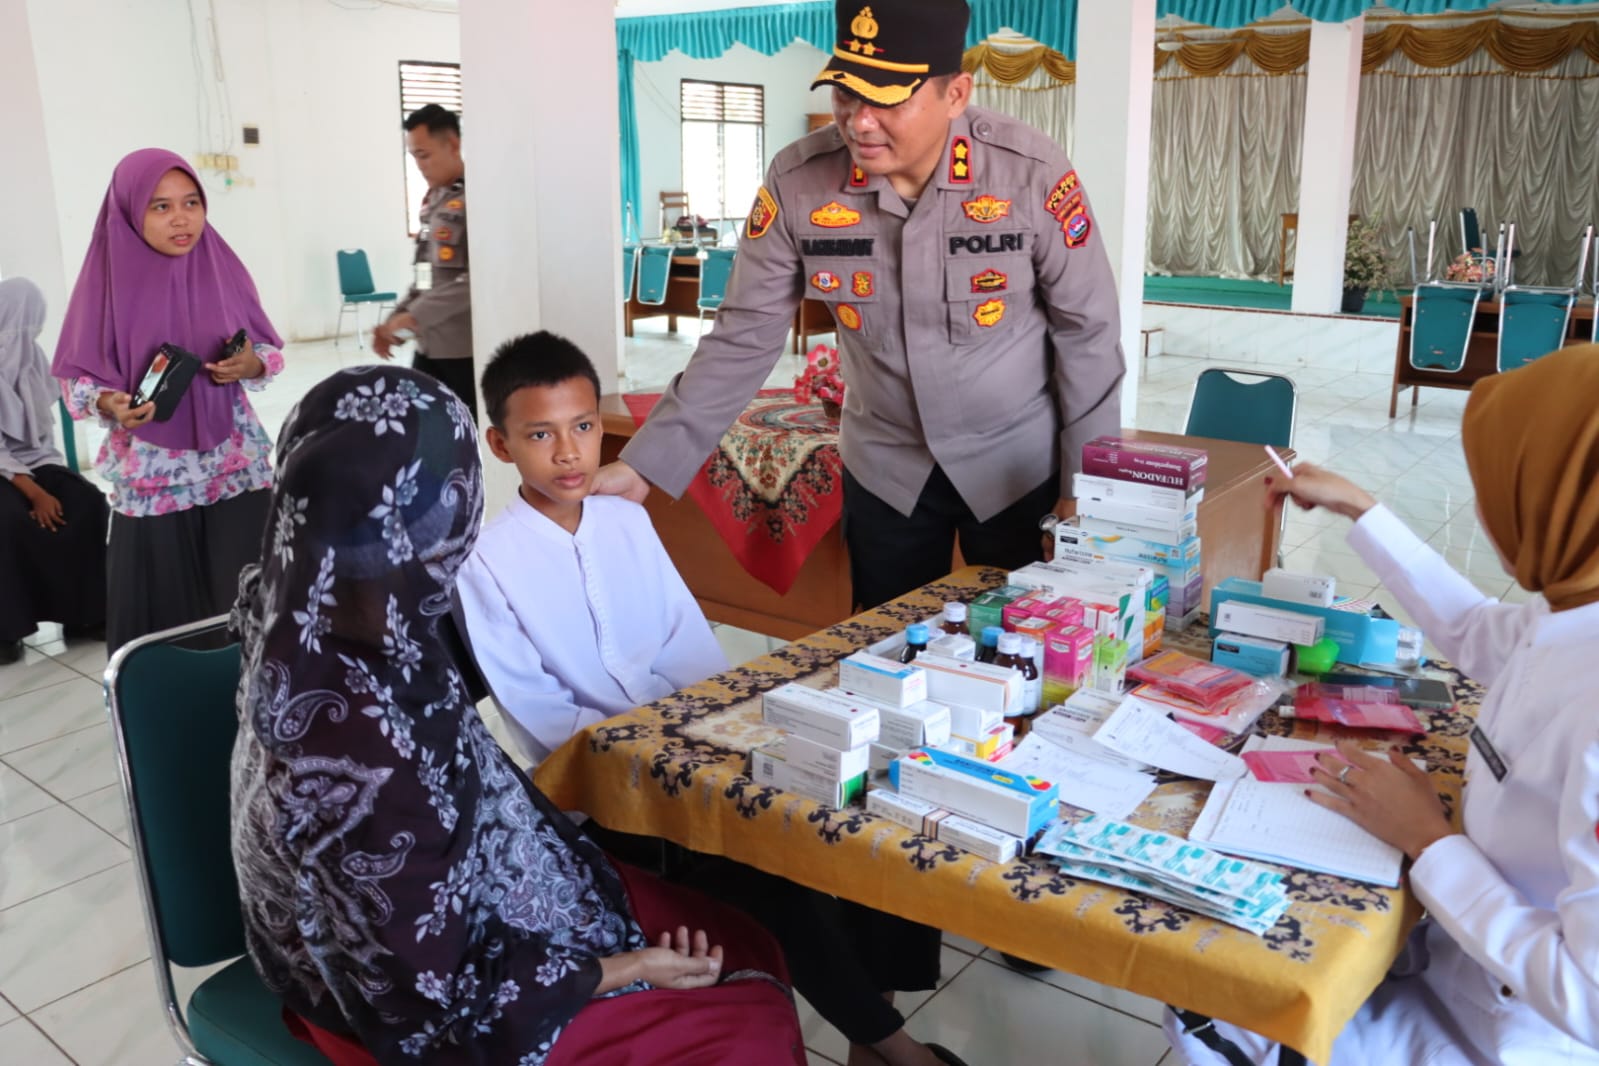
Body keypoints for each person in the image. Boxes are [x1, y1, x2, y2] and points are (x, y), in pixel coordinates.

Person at [229, 365, 805, 1066]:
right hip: (408, 1004)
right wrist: (626, 967)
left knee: (738, 926)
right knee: (742, 1020)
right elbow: (430, 986)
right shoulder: (363, 727)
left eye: (583, 427)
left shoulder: (305, 612)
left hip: (464, 902)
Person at [455, 332, 966, 1066]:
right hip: (603, 791)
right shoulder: (485, 560)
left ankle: (880, 1034)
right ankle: (895, 1049)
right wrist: (660, 756)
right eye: (540, 435)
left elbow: (683, 639)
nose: (568, 452)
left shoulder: (627, 518)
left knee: (848, 818)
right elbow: (536, 705)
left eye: (583, 427)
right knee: (768, 878)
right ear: (501, 446)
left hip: (693, 746)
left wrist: (712, 737)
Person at [593, 0, 1124, 613]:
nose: (860, 122)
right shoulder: (799, 183)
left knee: (1026, 643)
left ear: (955, 94)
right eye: (846, 94)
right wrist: (646, 464)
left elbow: (1087, 331)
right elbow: (744, 335)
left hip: (1016, 466)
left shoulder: (1028, 174)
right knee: (888, 647)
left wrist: (1088, 486)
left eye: (887, 99)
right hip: (888, 470)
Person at [1166, 346, 1599, 1066]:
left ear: (1558, 503)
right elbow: (1479, 632)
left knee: (1211, 1007)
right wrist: (1361, 511)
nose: (1485, 513)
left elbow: (1589, 998)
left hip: (1502, 1035)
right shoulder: (1573, 612)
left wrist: (1430, 842)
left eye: (1497, 490)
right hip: (1455, 964)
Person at [52, 148, 283, 654]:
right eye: (161, 206)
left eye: (191, 202)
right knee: (166, 615)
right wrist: (111, 403)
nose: (181, 218)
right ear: (130, 212)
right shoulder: (105, 283)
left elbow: (266, 349)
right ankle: (173, 699)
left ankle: (256, 694)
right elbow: (76, 379)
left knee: (250, 601)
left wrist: (251, 364)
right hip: (155, 470)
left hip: (232, 461)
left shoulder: (222, 267)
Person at [0, 278, 109, 664]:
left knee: (86, 502)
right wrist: (35, 494)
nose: (23, 335)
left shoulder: (33, 360)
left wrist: (51, 481)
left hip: (33, 462)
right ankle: (7, 631)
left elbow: (40, 439)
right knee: (8, 520)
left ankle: (85, 615)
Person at [374, 104, 475, 420]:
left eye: (424, 155)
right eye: (413, 156)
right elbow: (424, 276)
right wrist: (397, 318)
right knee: (420, 426)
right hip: (429, 345)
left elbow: (477, 280)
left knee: (466, 430)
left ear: (453, 144)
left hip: (464, 350)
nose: (419, 165)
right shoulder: (434, 202)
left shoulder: (478, 198)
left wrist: (414, 316)